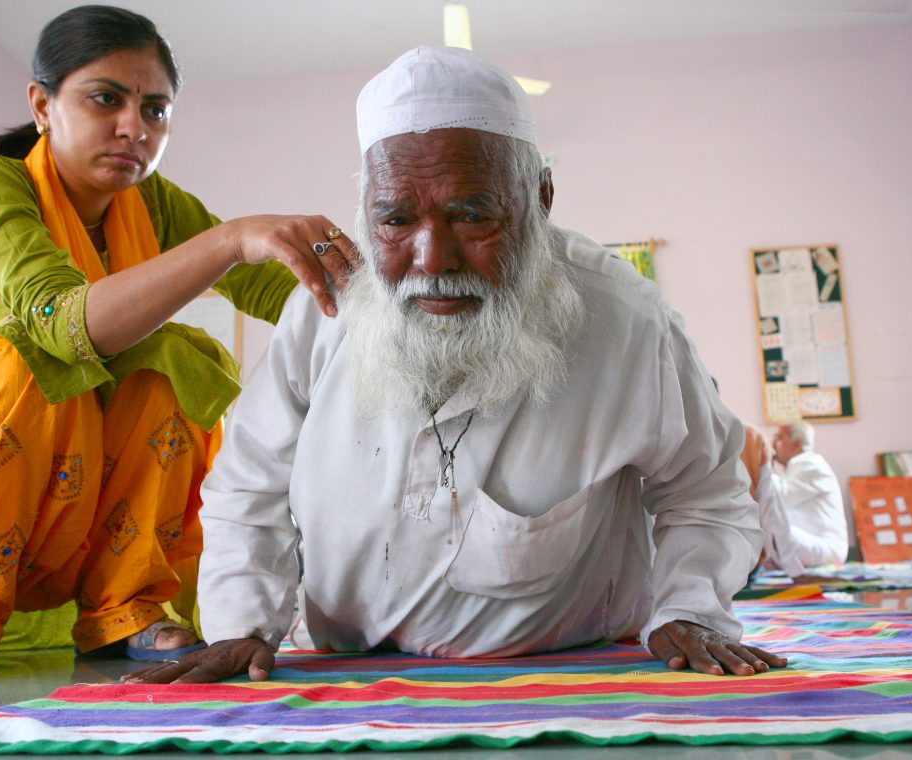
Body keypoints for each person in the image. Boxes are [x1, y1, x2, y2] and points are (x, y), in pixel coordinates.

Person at [127, 46, 787, 686]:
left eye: (472, 215)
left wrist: (688, 610)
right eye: (395, 218)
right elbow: (248, 486)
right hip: (347, 671)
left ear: (541, 199)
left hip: (565, 670)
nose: (431, 257)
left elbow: (705, 491)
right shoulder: (330, 308)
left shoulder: (627, 321)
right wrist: (243, 622)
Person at [0, 5, 356, 681]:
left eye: (156, 110)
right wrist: (227, 238)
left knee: (176, 364)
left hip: (90, 504)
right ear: (42, 104)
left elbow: (291, 298)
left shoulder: (156, 206)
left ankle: (126, 603)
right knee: (23, 360)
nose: (136, 128)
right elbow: (66, 323)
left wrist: (395, 295)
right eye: (106, 100)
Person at [755, 421, 848, 576]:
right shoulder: (796, 467)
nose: (773, 443)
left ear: (797, 444)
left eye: (779, 437)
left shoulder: (811, 464)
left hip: (827, 547)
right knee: (765, 520)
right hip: (811, 543)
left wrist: (760, 461)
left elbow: (780, 498)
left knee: (767, 523)